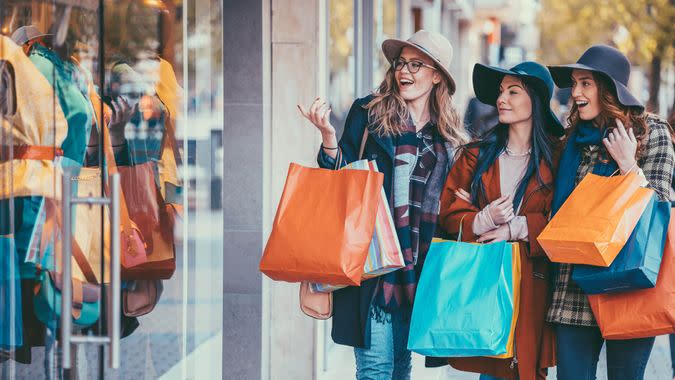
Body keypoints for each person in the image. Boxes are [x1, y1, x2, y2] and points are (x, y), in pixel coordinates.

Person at [297, 29, 469, 379]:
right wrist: (329, 139)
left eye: (416, 65)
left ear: (437, 75)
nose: (404, 71)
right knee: (376, 369)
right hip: (372, 264)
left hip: (419, 271)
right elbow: (339, 177)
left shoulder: (449, 139)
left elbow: (452, 207)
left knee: (400, 368)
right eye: (401, 63)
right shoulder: (370, 114)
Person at [545, 44, 675, 380]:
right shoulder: (571, 138)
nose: (575, 93)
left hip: (628, 281)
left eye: (585, 84)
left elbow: (659, 203)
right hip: (573, 284)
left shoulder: (651, 132)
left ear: (609, 89)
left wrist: (629, 165)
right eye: (574, 84)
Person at [437, 61, 564, 380]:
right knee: (492, 369)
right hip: (485, 281)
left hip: (533, 288)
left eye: (513, 91)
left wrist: (515, 227)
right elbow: (448, 212)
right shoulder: (475, 156)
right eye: (500, 92)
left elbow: (563, 222)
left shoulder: (557, 161)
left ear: (534, 99)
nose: (501, 99)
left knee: (524, 368)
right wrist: (483, 217)